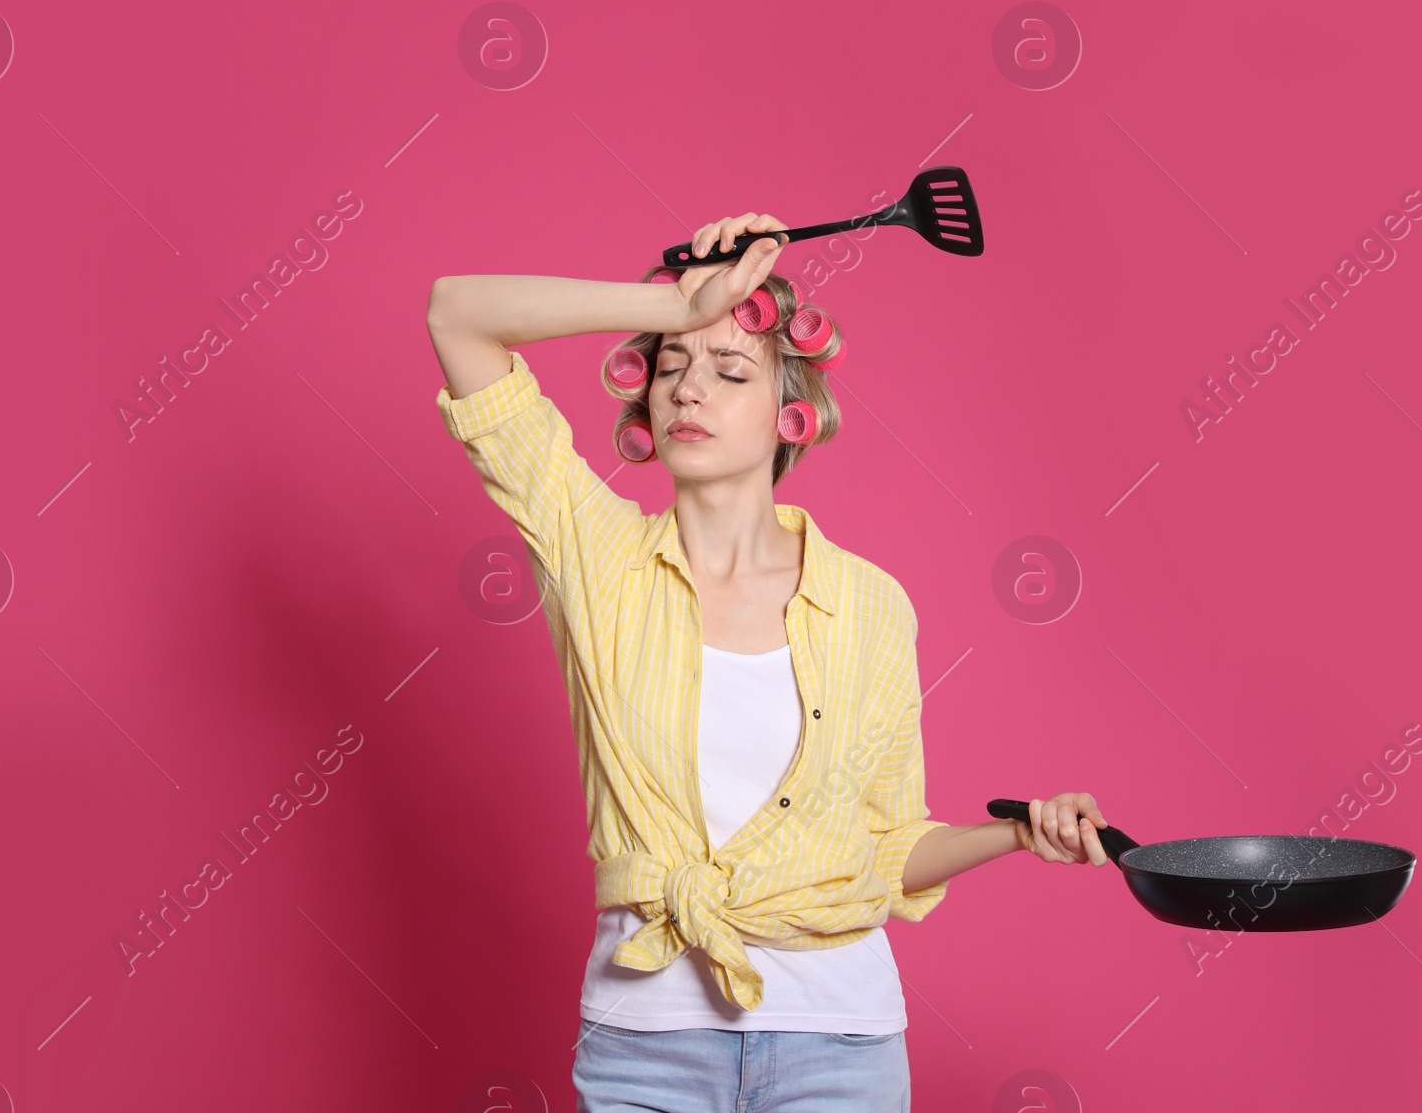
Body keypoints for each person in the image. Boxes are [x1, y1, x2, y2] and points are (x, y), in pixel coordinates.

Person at [426, 210, 1109, 1113]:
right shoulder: (596, 557)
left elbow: (887, 846)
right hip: (642, 1046)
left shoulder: (869, 606)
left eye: (730, 370)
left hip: (840, 1048)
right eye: (671, 366)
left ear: (790, 415)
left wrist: (1019, 834)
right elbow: (458, 314)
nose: (688, 391)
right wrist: (676, 305)